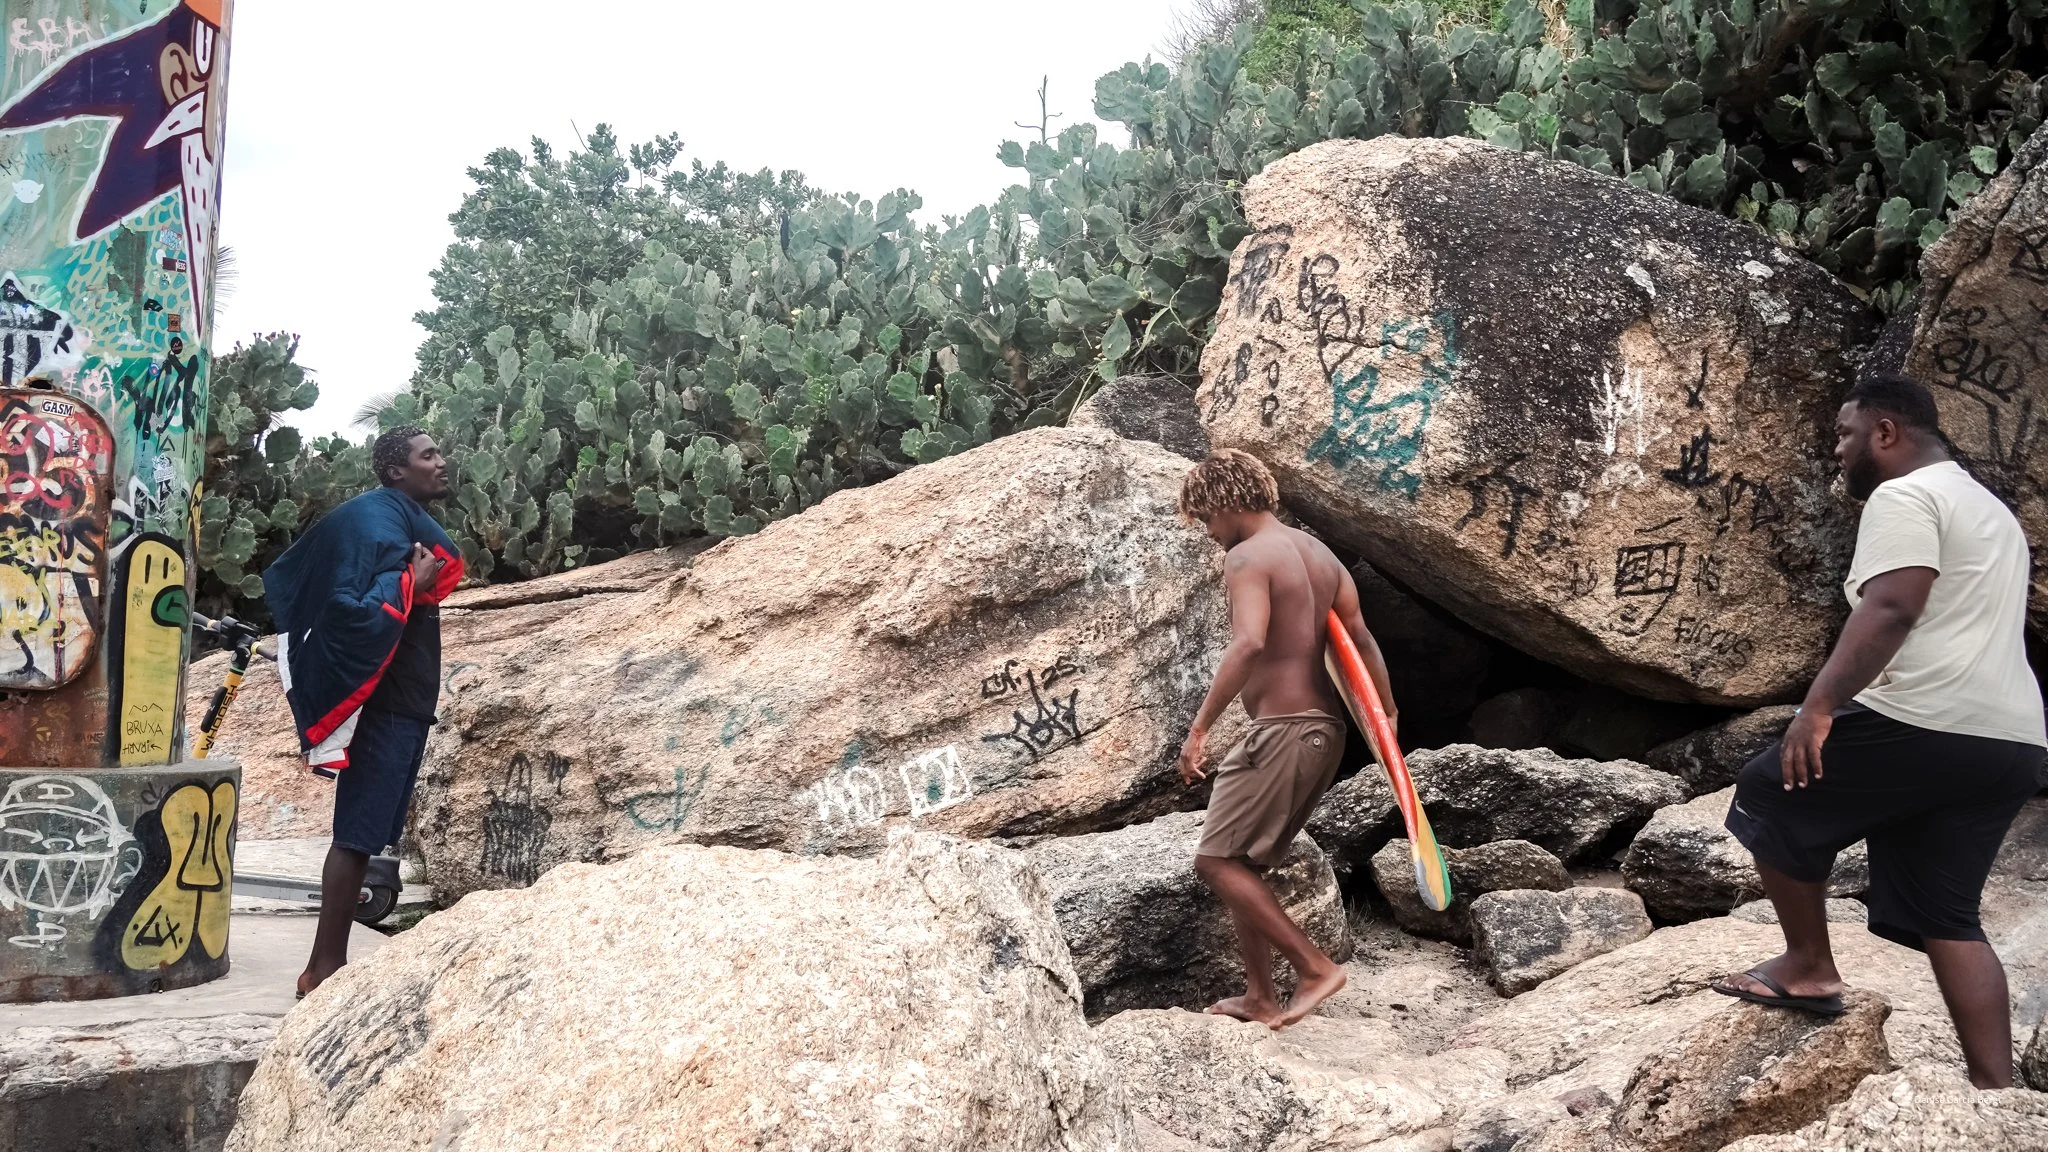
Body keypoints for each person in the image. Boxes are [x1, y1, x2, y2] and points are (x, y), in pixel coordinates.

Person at [1715, 373, 2045, 1089]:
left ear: (1886, 433)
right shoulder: (1988, 510)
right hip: (2013, 738)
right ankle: (1998, 1091)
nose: (1838, 450)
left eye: (1844, 433)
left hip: (1930, 718)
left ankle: (1807, 967)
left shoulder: (1906, 495)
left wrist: (1820, 706)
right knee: (1948, 914)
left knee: (1770, 790)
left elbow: (1893, 607)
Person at [1175, 449, 1398, 1029]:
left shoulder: (1248, 557)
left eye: (1206, 520)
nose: (1211, 534)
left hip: (1280, 733)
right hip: (1325, 732)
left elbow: (1247, 643)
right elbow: (1361, 640)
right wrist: (1387, 716)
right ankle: (1260, 998)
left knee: (1216, 862)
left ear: (1223, 502)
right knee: (1243, 864)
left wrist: (1199, 729)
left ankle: (1315, 968)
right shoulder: (1320, 556)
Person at [262, 425, 462, 995]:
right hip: (385, 704)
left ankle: (330, 963)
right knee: (354, 835)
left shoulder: (399, 520)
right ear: (397, 471)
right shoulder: (377, 521)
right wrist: (409, 582)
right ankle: (323, 969)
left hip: (407, 699)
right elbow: (349, 609)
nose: (442, 462)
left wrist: (414, 583)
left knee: (369, 834)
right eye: (429, 454)